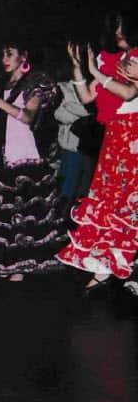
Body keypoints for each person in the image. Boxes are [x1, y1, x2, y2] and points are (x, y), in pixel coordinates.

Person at [0, 39, 67, 280]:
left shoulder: (35, 84)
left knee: (21, 212)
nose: (4, 58)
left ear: (23, 56)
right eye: (2, 54)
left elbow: (27, 117)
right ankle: (5, 263)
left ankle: (21, 265)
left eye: (10, 53)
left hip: (22, 152)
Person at [57, 15, 138, 291]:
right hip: (115, 136)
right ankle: (105, 269)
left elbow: (128, 93)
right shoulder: (116, 60)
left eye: (121, 28)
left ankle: (126, 267)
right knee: (109, 199)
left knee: (129, 200)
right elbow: (88, 98)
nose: (116, 33)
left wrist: (96, 70)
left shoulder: (136, 57)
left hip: (133, 135)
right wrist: (80, 69)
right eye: (114, 29)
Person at [53, 74, 94, 214]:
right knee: (68, 186)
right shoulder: (63, 87)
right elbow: (59, 114)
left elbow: (97, 112)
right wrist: (84, 114)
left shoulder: (97, 84)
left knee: (86, 187)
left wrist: (72, 107)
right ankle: (63, 219)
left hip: (92, 144)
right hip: (70, 144)